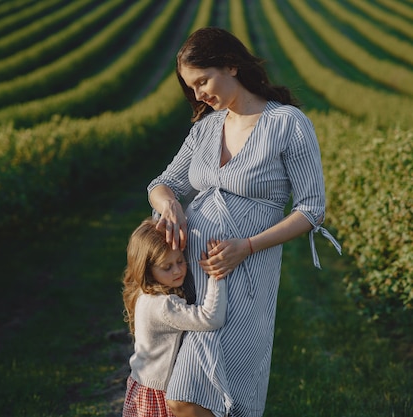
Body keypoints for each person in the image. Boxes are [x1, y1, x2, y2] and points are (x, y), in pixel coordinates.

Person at [147, 27, 341, 417]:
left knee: (191, 398)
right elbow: (162, 183)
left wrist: (246, 247)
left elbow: (311, 209)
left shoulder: (286, 123)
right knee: (188, 397)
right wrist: (169, 204)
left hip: (247, 273)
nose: (199, 94)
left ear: (231, 66)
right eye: (192, 87)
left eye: (203, 81)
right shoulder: (204, 129)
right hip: (193, 279)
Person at [122, 217, 228, 417]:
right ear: (148, 270)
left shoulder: (144, 293)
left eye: (180, 261)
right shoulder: (163, 305)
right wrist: (216, 276)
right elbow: (210, 318)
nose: (177, 270)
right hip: (157, 392)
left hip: (142, 383)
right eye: (167, 267)